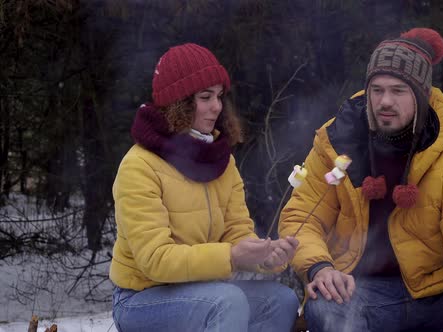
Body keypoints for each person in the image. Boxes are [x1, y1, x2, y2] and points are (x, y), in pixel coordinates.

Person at [278, 28, 443, 332]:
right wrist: (320, 267)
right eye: (377, 90)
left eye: (398, 91)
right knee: (325, 303)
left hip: (439, 292)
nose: (385, 101)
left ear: (421, 95)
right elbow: (302, 217)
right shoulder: (336, 141)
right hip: (365, 295)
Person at [109, 43, 300, 332]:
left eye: (220, 96)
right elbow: (155, 260)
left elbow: (236, 232)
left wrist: (265, 255)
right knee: (227, 301)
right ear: (178, 102)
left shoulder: (221, 160)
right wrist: (231, 257)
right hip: (141, 299)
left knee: (282, 300)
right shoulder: (140, 166)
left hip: (207, 292)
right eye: (205, 97)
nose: (217, 106)